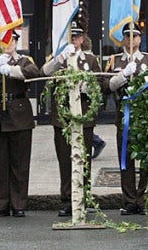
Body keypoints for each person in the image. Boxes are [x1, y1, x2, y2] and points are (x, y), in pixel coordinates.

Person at [42, 20, 102, 217]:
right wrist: (59, 59)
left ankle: (84, 197)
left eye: (76, 36)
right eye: (70, 37)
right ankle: (67, 199)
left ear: (82, 39)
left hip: (83, 116)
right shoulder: (58, 58)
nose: (73, 40)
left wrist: (84, 86)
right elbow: (44, 73)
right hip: (62, 118)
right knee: (65, 160)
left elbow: (99, 85)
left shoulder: (91, 60)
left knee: (84, 160)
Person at [0, 32, 41, 217]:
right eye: (4, 41)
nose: (8, 44)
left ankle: (19, 203)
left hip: (19, 115)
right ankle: (1, 203)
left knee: (20, 164)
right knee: (0, 163)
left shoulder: (23, 60)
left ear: (16, 42)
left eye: (11, 41)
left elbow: (34, 72)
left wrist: (12, 71)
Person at [106, 21, 148, 215]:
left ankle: (142, 199)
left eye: (135, 36)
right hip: (123, 115)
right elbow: (106, 86)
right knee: (125, 159)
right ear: (123, 39)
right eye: (127, 36)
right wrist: (124, 75)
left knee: (145, 161)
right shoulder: (115, 61)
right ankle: (129, 201)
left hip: (144, 116)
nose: (131, 40)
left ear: (140, 39)